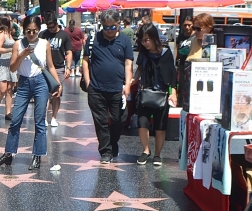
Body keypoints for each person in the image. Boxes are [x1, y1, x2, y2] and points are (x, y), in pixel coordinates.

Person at [0, 15, 62, 170]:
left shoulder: (44, 44)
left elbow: (50, 66)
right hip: (23, 83)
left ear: (39, 30)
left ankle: (37, 155)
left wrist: (58, 84)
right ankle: (8, 154)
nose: (31, 34)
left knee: (39, 121)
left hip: (40, 82)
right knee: (15, 120)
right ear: (23, 30)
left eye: (34, 31)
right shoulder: (18, 44)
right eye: (28, 31)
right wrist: (21, 55)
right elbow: (12, 68)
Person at [82, 9, 134, 164]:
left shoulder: (124, 40)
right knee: (101, 122)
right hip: (96, 88)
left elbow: (128, 63)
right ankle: (105, 151)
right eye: (106, 27)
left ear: (118, 24)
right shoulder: (94, 39)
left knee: (119, 119)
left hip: (118, 88)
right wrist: (87, 82)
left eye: (113, 27)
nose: (109, 31)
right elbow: (85, 60)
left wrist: (127, 84)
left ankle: (112, 143)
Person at [132, 23, 177, 166]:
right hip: (145, 92)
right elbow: (139, 69)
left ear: (154, 38)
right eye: (142, 40)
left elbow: (172, 73)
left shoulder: (165, 52)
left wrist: (173, 93)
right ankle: (146, 151)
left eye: (147, 40)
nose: (145, 43)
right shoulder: (144, 53)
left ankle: (157, 154)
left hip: (162, 94)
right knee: (142, 123)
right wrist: (132, 81)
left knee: (160, 126)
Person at [39, 10, 73, 127]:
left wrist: (68, 67)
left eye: (53, 27)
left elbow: (68, 52)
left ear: (56, 23)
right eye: (48, 27)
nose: (51, 29)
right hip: (44, 68)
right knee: (44, 94)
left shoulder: (64, 35)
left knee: (56, 94)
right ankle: (44, 118)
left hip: (58, 68)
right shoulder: (43, 34)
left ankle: (54, 117)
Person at [0, 15, 18, 121]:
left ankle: (8, 112)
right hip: (1, 63)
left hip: (10, 63)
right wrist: (10, 50)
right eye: (10, 20)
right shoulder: (1, 34)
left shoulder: (10, 33)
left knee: (9, 90)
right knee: (2, 89)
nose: (12, 22)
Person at [175, 16, 194, 107]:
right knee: (181, 86)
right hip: (182, 64)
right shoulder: (181, 36)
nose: (187, 27)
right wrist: (175, 61)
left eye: (189, 25)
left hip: (193, 65)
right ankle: (180, 104)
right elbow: (177, 49)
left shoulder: (195, 36)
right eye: (185, 25)